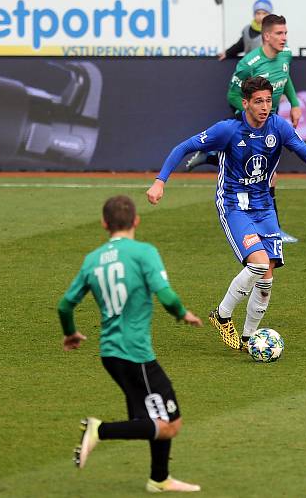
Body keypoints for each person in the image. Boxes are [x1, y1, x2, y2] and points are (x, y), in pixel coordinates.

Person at [147, 76, 306, 350]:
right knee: (258, 263)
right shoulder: (227, 130)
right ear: (245, 104)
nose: (265, 106)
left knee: (267, 276)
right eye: (259, 102)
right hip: (233, 203)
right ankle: (222, 314)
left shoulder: (279, 126)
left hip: (264, 204)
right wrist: (160, 181)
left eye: (268, 100)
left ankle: (248, 338)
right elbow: (183, 147)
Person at [57, 195, 203, 493]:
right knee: (170, 424)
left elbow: (64, 306)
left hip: (109, 353)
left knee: (150, 418)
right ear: (136, 220)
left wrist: (71, 333)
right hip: (135, 353)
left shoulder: (93, 259)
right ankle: (99, 430)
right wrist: (182, 314)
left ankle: (159, 479)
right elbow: (165, 294)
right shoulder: (143, 253)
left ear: (103, 224)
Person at [186, 13, 303, 243]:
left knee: (266, 174)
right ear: (266, 36)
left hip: (271, 118)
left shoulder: (285, 55)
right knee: (265, 174)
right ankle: (273, 230)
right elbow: (232, 94)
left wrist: (295, 104)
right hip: (252, 119)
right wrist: (248, 119)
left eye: (286, 33)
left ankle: (211, 156)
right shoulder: (248, 63)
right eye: (280, 33)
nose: (284, 37)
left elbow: (285, 77)